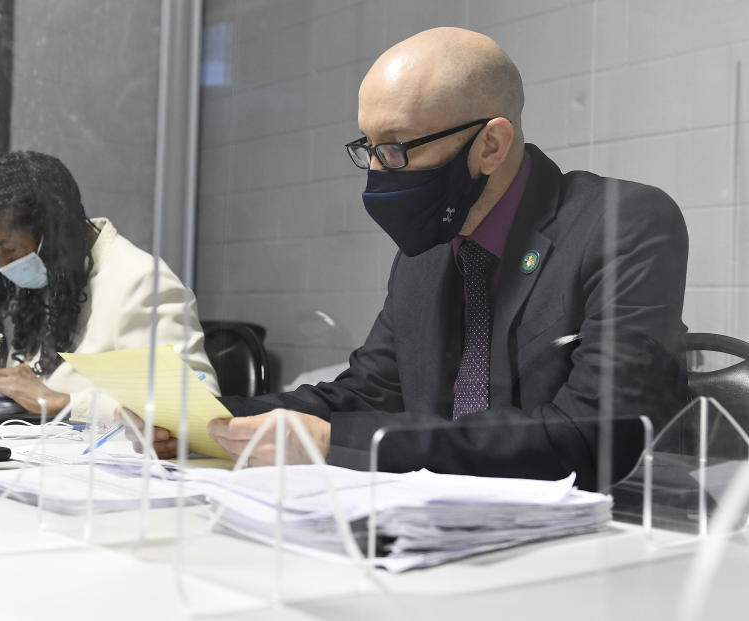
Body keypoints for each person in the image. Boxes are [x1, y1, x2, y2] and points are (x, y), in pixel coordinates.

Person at [135, 28, 689, 491]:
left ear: (491, 145)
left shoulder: (623, 223)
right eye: (369, 149)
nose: (379, 172)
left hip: (598, 544)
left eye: (399, 147)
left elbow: (595, 434)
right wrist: (208, 422)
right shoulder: (427, 255)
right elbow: (364, 392)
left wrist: (337, 444)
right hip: (432, 526)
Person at [0, 150, 219, 420]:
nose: (3, 264)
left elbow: (198, 405)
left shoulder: (141, 281)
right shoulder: (54, 275)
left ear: (51, 232)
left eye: (11, 247)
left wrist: (65, 403)